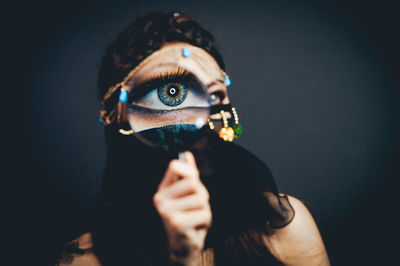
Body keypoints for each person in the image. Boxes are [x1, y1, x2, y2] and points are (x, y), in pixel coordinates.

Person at [55, 11, 330, 266]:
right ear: (113, 115)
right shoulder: (81, 261)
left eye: (215, 95)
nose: (199, 120)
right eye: (171, 94)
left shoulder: (283, 228)